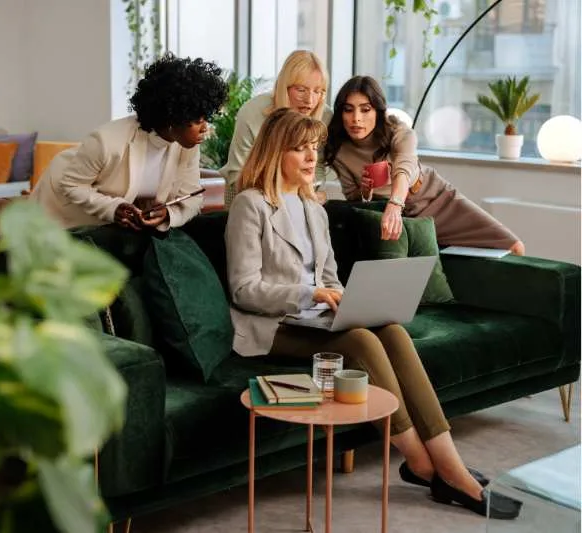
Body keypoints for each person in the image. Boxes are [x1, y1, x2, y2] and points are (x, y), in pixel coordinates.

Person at [225, 108, 521, 519]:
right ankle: (427, 466)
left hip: (317, 317)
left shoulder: (314, 207)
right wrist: (313, 293)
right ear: (276, 153)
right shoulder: (250, 205)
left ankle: (446, 461)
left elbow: (330, 276)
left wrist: (351, 300)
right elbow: (244, 290)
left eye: (314, 148)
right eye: (300, 149)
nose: (312, 158)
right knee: (362, 340)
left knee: (392, 330)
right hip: (272, 324)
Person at [324, 75, 525, 255]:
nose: (356, 118)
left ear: (378, 111)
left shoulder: (399, 131)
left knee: (513, 246)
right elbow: (354, 199)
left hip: (434, 199)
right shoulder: (339, 148)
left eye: (365, 109)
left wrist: (395, 204)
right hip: (396, 218)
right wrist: (365, 191)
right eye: (348, 110)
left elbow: (404, 167)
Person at [32, 53, 227, 230]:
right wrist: (113, 209)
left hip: (114, 231)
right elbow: (72, 186)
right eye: (197, 121)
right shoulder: (106, 140)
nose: (205, 128)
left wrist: (168, 214)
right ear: (172, 118)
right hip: (63, 209)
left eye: (206, 119)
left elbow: (193, 198)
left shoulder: (187, 147)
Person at [220, 50, 333, 209]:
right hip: (247, 195)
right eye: (301, 90)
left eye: (318, 91)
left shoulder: (325, 115)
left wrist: (308, 193)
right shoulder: (252, 112)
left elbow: (319, 166)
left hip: (300, 198)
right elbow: (237, 173)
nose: (310, 100)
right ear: (284, 87)